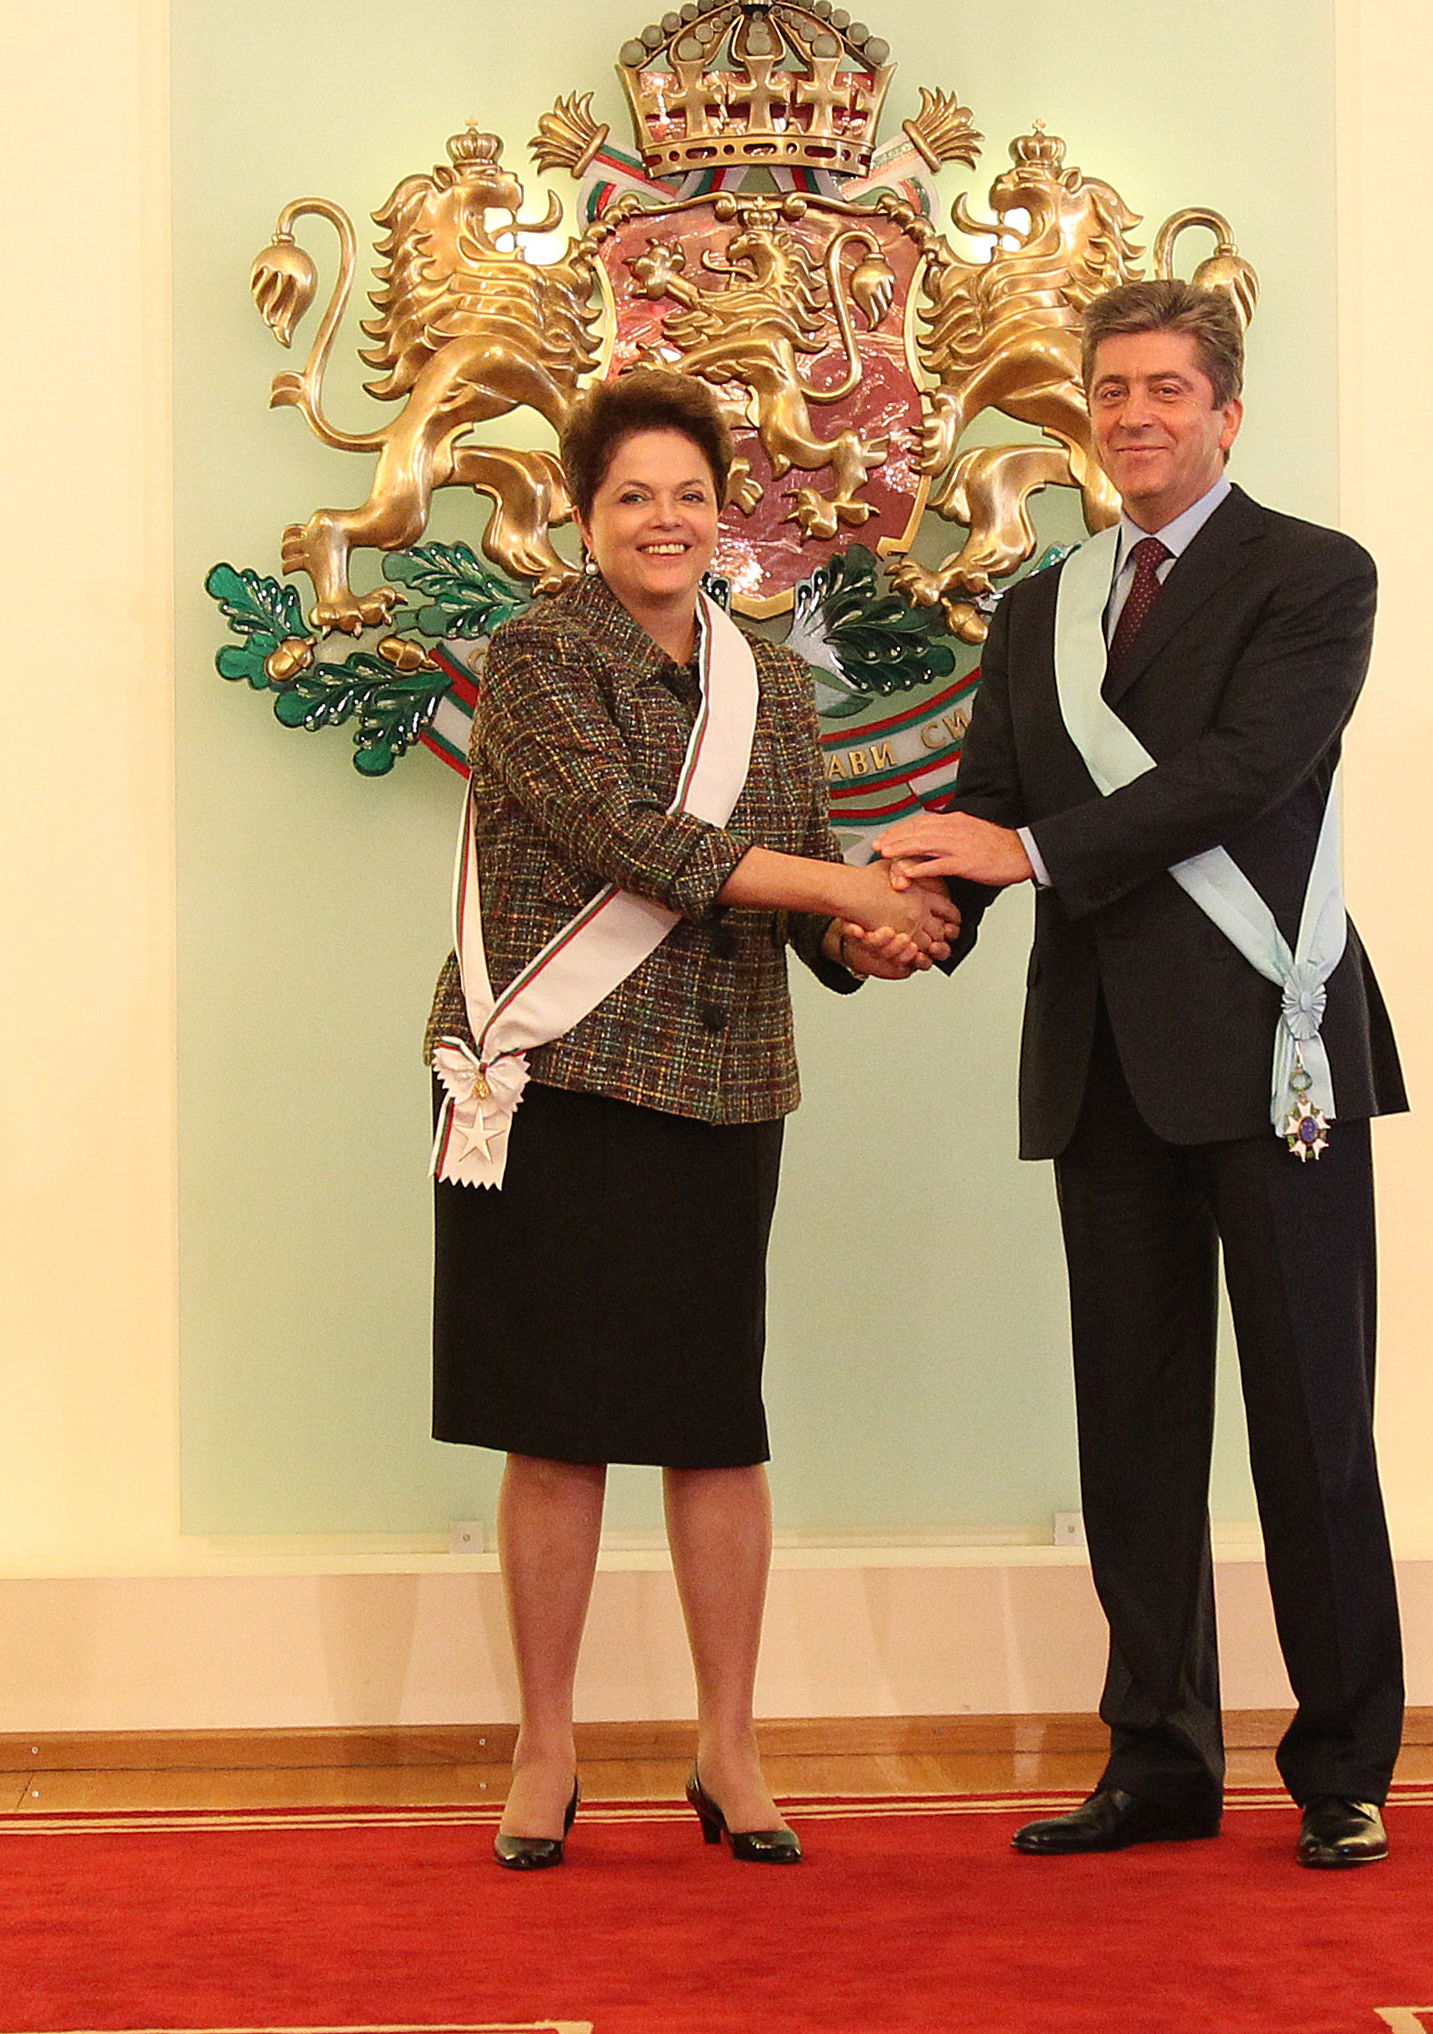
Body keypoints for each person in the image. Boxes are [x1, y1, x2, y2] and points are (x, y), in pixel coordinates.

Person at [876, 277, 1407, 1871]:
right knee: (1133, 1429)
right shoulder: (1039, 608)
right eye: (1111, 392)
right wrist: (894, 922)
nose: (1134, 416)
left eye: (1167, 389)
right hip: (1102, 1062)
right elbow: (987, 807)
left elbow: (1241, 773)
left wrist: (1024, 852)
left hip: (1266, 1049)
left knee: (1309, 1422)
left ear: (1226, 412)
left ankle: (1341, 1766)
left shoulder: (1313, 575)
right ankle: (1159, 1758)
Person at [429, 368, 953, 1873]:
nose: (665, 520)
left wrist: (859, 932)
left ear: (725, 514)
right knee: (556, 1431)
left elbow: (788, 865)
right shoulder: (539, 653)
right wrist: (844, 884)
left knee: (716, 1429)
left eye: (689, 495)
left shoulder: (767, 675)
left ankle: (730, 1745)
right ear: (581, 515)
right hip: (556, 1077)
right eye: (633, 496)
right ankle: (545, 1745)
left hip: (721, 1087)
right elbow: (635, 842)